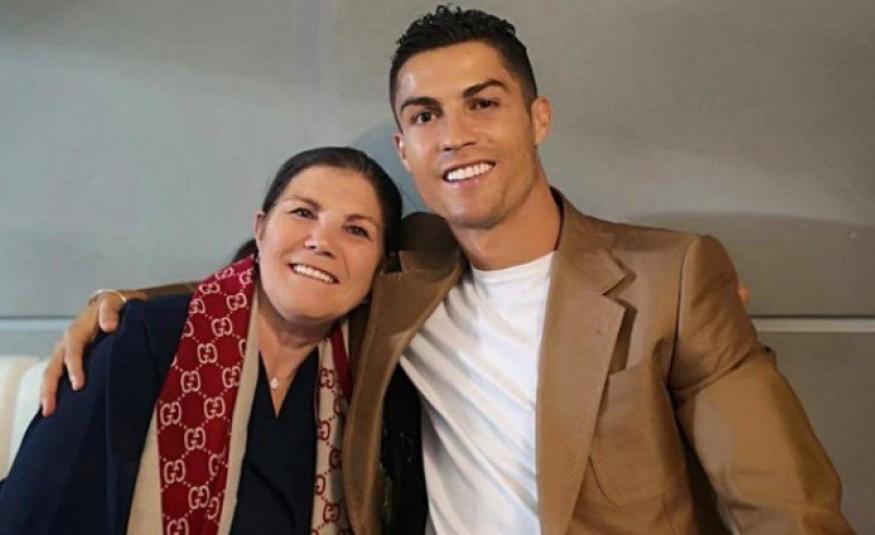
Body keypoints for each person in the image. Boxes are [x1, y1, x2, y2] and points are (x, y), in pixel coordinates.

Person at [42, 6, 851, 534]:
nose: (454, 134)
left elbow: (784, 502)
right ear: (404, 147)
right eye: (425, 115)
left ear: (537, 117)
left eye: (482, 102)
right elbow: (294, 272)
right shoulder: (401, 272)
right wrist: (125, 305)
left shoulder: (668, 275)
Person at [0, 146, 402, 535]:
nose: (321, 242)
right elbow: (37, 514)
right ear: (260, 229)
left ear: (380, 269)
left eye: (356, 230)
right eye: (303, 212)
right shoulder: (141, 337)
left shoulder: (368, 391)